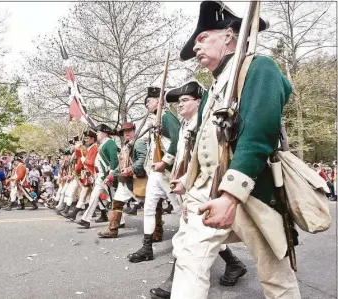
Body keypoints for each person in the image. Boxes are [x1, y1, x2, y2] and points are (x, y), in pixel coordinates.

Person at [169, 2, 301, 298]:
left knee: (276, 276)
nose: (196, 48)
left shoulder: (258, 67)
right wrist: (189, 184)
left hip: (251, 191)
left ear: (229, 35)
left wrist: (230, 196)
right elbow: (203, 145)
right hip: (207, 191)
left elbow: (257, 137)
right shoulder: (215, 88)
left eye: (203, 38)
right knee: (189, 259)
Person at [150, 81, 247, 299]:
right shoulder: (188, 124)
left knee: (194, 240)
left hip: (210, 186)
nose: (180, 105)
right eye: (178, 102)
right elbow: (187, 156)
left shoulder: (204, 123)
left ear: (198, 102)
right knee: (191, 238)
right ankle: (233, 264)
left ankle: (177, 281)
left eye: (185, 100)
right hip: (191, 185)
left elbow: (209, 159)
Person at [127, 87, 181, 263]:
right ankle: (147, 247)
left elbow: (177, 140)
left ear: (159, 101)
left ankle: (231, 260)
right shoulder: (155, 122)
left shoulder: (166, 117)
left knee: (184, 212)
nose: (147, 105)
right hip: (155, 174)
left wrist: (165, 162)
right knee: (149, 210)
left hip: (167, 173)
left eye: (149, 102)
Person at [98, 122, 147, 238]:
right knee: (117, 203)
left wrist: (131, 168)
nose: (127, 133)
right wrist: (111, 175)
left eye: (129, 131)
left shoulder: (138, 142)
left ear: (134, 131)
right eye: (124, 132)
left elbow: (142, 158)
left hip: (137, 180)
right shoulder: (126, 146)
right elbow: (120, 166)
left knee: (149, 206)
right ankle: (112, 230)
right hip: (125, 180)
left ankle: (157, 231)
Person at [77, 124, 119, 228]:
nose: (97, 134)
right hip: (101, 175)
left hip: (106, 176)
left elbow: (114, 160)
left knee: (111, 199)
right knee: (109, 199)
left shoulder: (110, 143)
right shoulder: (105, 143)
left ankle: (86, 219)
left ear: (104, 133)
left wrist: (111, 174)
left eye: (98, 132)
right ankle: (86, 219)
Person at [64, 130, 98, 220]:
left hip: (93, 174)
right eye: (86, 138)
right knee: (85, 195)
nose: (86, 140)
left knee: (101, 197)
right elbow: (79, 159)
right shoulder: (88, 148)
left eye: (88, 138)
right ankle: (74, 214)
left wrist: (83, 159)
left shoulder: (93, 148)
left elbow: (90, 162)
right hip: (87, 175)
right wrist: (77, 149)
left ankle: (101, 213)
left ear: (92, 139)